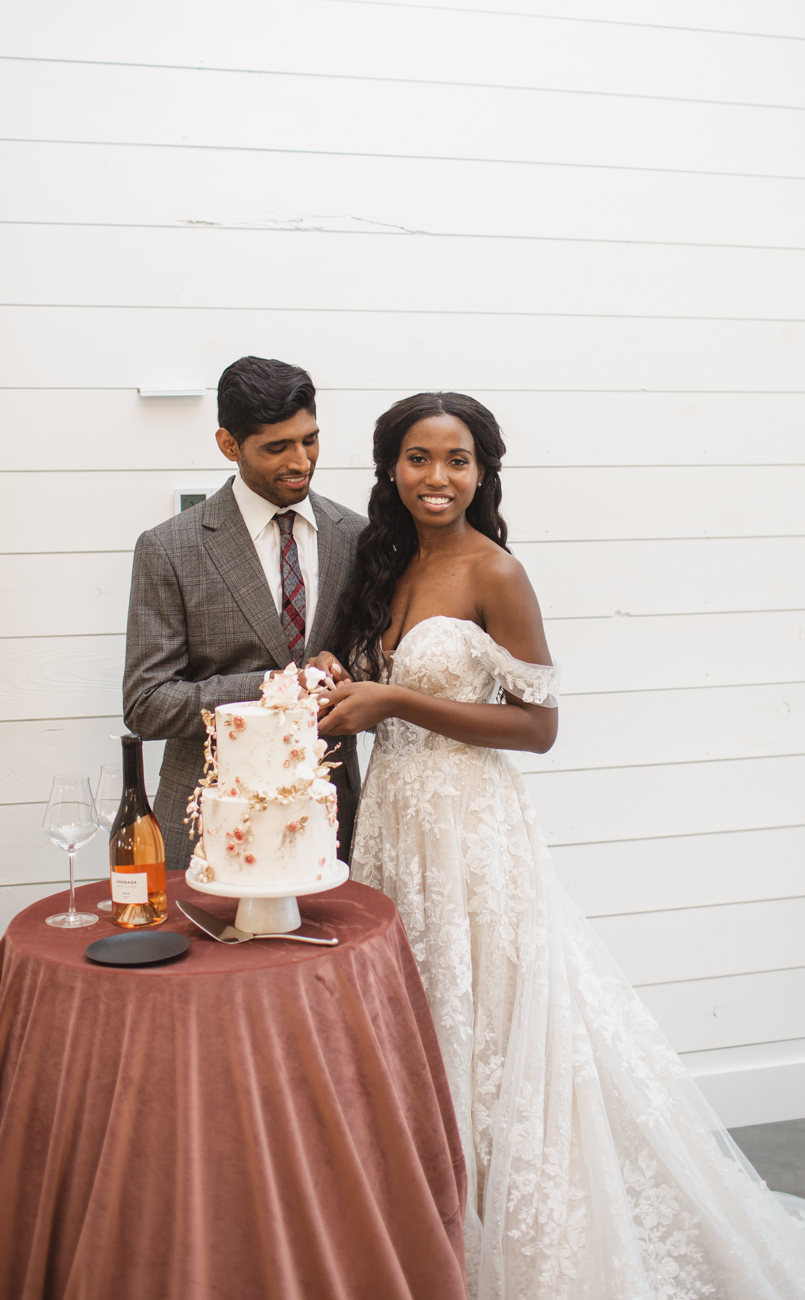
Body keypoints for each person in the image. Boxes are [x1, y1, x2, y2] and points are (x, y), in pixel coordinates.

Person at [317, 392, 805, 1299]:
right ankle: (426, 1219)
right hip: (393, 826)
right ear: (390, 467)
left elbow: (537, 727)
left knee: (492, 1028)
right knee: (422, 1024)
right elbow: (373, 684)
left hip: (472, 833)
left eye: (457, 460)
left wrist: (396, 703)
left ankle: (509, 1234)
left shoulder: (493, 572)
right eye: (419, 458)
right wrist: (346, 678)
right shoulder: (379, 565)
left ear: (482, 472)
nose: (438, 478)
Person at [123, 355, 365, 870]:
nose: (300, 461)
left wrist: (347, 673)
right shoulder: (169, 548)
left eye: (310, 439)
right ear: (228, 445)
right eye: (277, 447)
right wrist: (281, 684)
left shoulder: (358, 537)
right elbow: (146, 704)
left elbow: (373, 669)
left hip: (332, 822)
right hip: (208, 825)